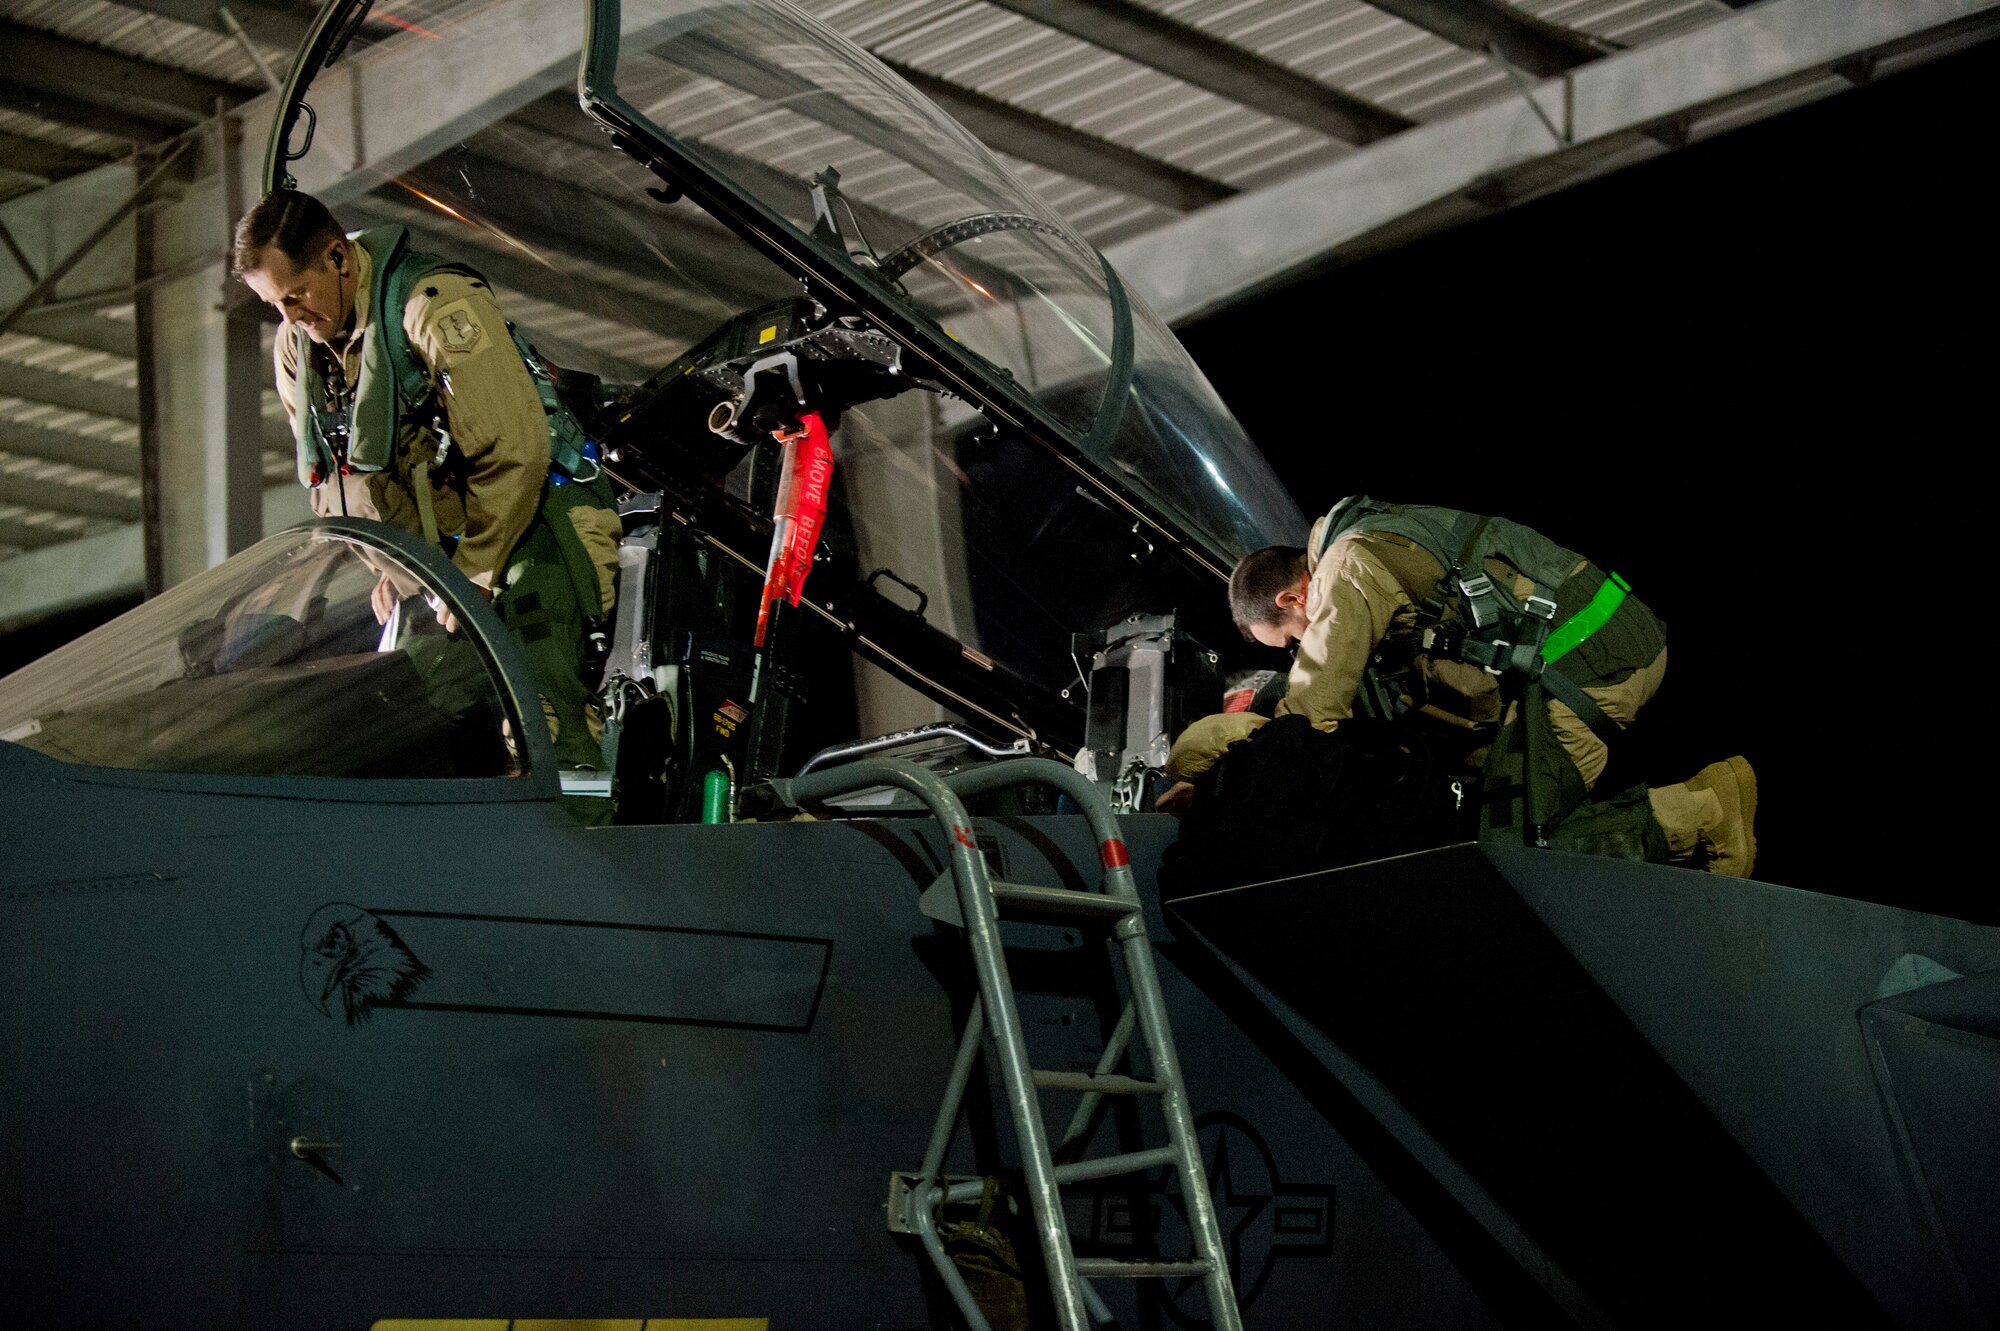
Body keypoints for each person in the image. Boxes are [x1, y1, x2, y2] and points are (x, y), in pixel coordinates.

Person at [232, 189, 622, 787]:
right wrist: (393, 569)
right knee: (417, 724)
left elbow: (514, 452)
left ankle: (589, 856)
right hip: (437, 565)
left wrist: (472, 573)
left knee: (543, 728)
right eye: (272, 305)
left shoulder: (433, 308)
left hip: (531, 528)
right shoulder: (297, 346)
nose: (290, 319)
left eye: (295, 295)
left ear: (338, 258)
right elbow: (340, 476)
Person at [1164, 496, 1756, 876]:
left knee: (1513, 859)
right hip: (1596, 646)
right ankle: (1703, 800)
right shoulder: (1371, 536)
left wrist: (1227, 778)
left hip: (1586, 665)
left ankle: (1700, 813)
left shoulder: (1350, 566)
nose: (1298, 646)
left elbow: (1312, 710)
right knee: (1471, 797)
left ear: (1294, 597)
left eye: (1291, 636)